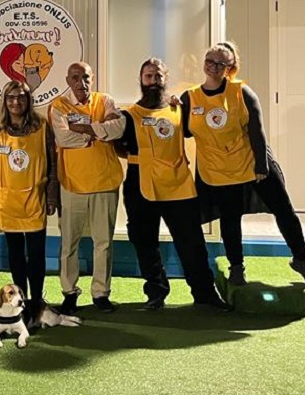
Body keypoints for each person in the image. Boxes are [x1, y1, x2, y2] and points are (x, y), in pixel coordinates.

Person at [83, 58, 232, 311]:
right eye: (149, 76)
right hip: (140, 185)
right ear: (141, 80)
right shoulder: (128, 115)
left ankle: (205, 294)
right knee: (144, 242)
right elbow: (114, 143)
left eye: (158, 76)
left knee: (192, 242)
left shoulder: (179, 108)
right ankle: (156, 292)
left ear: (166, 78)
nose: (154, 81)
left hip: (179, 184)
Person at [181, 42, 305, 288]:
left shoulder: (242, 92)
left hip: (252, 163)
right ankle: (236, 268)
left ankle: (303, 261)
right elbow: (185, 131)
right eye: (209, 61)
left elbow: (257, 130)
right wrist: (174, 107)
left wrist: (261, 165)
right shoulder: (190, 97)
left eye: (220, 63)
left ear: (230, 68)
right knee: (229, 219)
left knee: (284, 211)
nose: (213, 66)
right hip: (219, 170)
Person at [48, 62, 123, 314]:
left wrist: (84, 129)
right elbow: (62, 138)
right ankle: (69, 293)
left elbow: (119, 128)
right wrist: (99, 131)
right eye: (76, 77)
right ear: (68, 80)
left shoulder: (105, 100)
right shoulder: (59, 106)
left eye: (86, 77)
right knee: (69, 243)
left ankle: (101, 293)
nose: (82, 83)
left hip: (106, 182)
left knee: (104, 242)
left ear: (93, 78)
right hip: (72, 183)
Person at [0, 80, 59, 313]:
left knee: (36, 254)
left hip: (34, 199)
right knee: (15, 254)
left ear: (28, 100)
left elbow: (53, 164)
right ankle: (20, 301)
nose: (16, 102)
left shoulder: (41, 126)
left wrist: (52, 196)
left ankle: (37, 300)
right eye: (11, 97)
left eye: (21, 97)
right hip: (7, 201)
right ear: (5, 101)